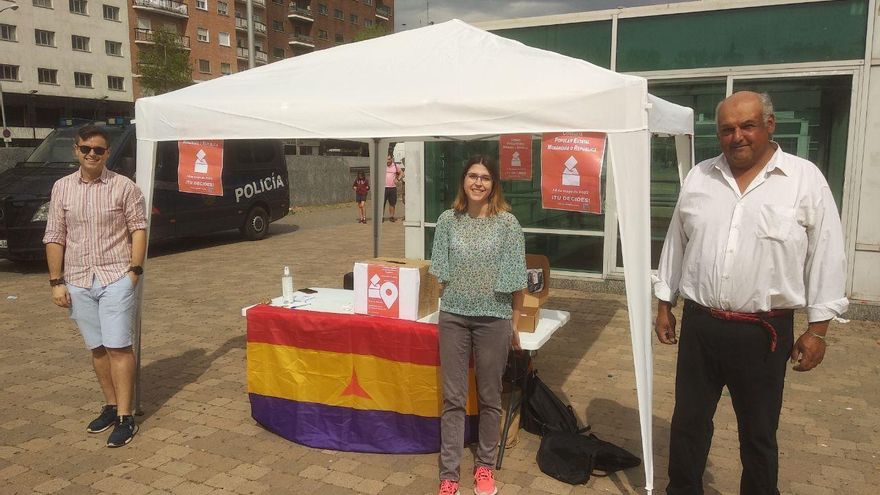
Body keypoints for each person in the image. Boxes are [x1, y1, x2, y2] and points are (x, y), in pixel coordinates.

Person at [653, 91, 848, 495]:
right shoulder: (699, 177)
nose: (736, 136)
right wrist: (663, 303)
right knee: (688, 423)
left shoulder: (804, 179)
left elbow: (826, 255)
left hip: (764, 333)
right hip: (701, 326)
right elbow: (677, 242)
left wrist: (819, 330)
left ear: (769, 125)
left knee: (758, 433)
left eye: (747, 126)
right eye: (727, 129)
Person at [43, 125, 147, 448]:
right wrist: (56, 282)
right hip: (78, 281)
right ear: (76, 150)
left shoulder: (124, 187)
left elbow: (139, 229)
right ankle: (111, 405)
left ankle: (126, 418)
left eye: (98, 150)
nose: (91, 154)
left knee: (118, 346)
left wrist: (134, 273)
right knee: (98, 348)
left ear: (107, 153)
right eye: (86, 148)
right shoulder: (61, 189)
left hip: (115, 277)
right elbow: (55, 236)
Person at [429, 155, 527, 495]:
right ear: (463, 181)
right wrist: (455, 295)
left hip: (494, 320)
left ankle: (484, 468)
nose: (478, 183)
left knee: (489, 397)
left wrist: (513, 324)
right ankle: (449, 475)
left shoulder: (508, 225)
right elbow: (440, 272)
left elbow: (518, 281)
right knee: (453, 399)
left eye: (485, 177)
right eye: (473, 176)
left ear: (494, 184)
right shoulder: (447, 221)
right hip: (453, 318)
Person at [383, 155, 400, 222]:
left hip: (392, 188)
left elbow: (401, 173)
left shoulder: (395, 166)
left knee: (392, 203)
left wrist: (398, 179)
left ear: (391, 159)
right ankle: (381, 217)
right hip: (383, 188)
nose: (388, 161)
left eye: (389, 159)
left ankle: (391, 216)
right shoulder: (381, 166)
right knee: (382, 204)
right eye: (386, 159)